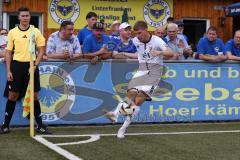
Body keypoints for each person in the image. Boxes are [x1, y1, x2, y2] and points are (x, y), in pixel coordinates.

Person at [104, 21, 173, 138]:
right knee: (131, 93)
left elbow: (171, 53)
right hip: (141, 71)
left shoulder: (157, 41)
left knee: (137, 103)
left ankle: (123, 128)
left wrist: (159, 52)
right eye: (136, 33)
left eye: (140, 33)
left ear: (146, 30)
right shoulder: (136, 40)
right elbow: (122, 41)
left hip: (154, 74)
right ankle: (115, 114)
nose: (138, 35)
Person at [0, 6, 50, 134]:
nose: (25, 18)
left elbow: (41, 51)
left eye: (27, 16)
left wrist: (35, 65)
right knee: (13, 95)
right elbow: (8, 53)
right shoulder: (12, 32)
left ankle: (40, 125)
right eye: (23, 16)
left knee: (34, 96)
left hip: (31, 66)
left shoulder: (35, 31)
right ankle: (5, 125)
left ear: (30, 17)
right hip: (17, 66)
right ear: (19, 17)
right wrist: (9, 71)